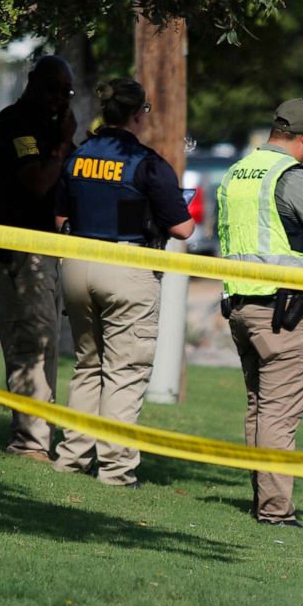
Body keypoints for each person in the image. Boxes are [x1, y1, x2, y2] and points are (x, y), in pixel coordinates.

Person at [52, 79, 194, 487]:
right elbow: (182, 229)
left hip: (77, 265)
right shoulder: (146, 162)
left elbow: (60, 218)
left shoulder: (78, 155)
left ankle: (72, 457)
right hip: (127, 268)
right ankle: (115, 470)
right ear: (138, 114)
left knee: (87, 366)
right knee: (125, 370)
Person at [218, 98, 303, 527]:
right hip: (282, 312)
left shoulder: (238, 171)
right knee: (280, 413)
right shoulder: (292, 176)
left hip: (240, 304)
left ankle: (262, 498)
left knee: (260, 407)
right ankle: (275, 510)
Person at [0, 55, 77, 462]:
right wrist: (65, 144)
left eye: (66, 92)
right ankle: (28, 443)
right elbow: (35, 181)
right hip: (13, 249)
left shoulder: (51, 128)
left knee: (45, 341)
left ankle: (38, 436)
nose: (60, 100)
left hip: (43, 247)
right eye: (54, 90)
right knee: (29, 342)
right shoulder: (16, 124)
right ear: (34, 84)